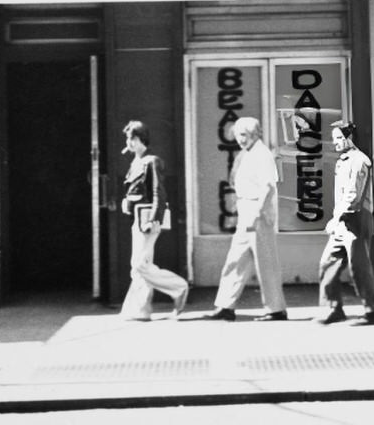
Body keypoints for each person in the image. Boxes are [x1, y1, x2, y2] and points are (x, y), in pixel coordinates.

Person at [206, 116, 288, 321]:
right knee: (235, 260)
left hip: (257, 211)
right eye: (238, 135)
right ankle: (225, 305)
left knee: (265, 262)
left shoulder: (262, 154)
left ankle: (276, 309)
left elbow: (268, 187)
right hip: (247, 210)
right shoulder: (248, 153)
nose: (240, 139)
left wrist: (258, 213)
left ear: (255, 134)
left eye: (244, 135)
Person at [118, 120, 189, 321]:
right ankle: (140, 310)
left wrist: (154, 219)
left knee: (140, 264)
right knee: (140, 264)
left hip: (147, 219)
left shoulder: (151, 161)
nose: (129, 142)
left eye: (133, 138)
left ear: (142, 139)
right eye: (128, 138)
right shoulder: (136, 162)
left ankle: (179, 287)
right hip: (138, 218)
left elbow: (158, 192)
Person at [315, 119, 374, 325]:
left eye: (338, 138)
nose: (334, 142)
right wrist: (337, 219)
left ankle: (372, 312)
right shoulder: (343, 161)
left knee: (359, 268)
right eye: (334, 138)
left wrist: (335, 219)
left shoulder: (359, 161)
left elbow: (354, 195)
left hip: (356, 219)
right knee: (328, 262)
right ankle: (333, 308)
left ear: (349, 137)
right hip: (343, 221)